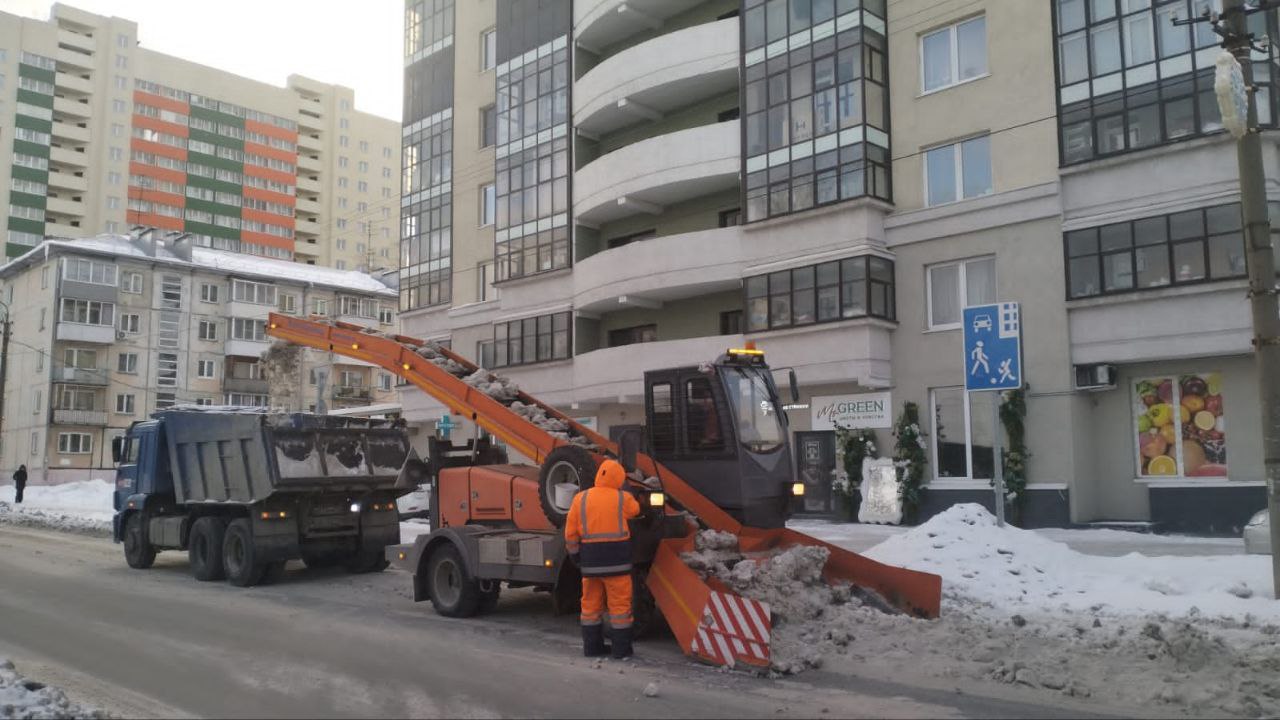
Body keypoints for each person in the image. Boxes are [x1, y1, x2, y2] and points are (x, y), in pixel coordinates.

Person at [564, 459, 641, 659]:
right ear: (619, 479)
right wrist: (628, 491)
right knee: (620, 609)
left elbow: (570, 532)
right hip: (617, 564)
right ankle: (621, 650)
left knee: (590, 607)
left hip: (590, 564)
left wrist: (574, 554)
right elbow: (636, 511)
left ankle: (592, 648)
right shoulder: (623, 498)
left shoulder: (580, 499)